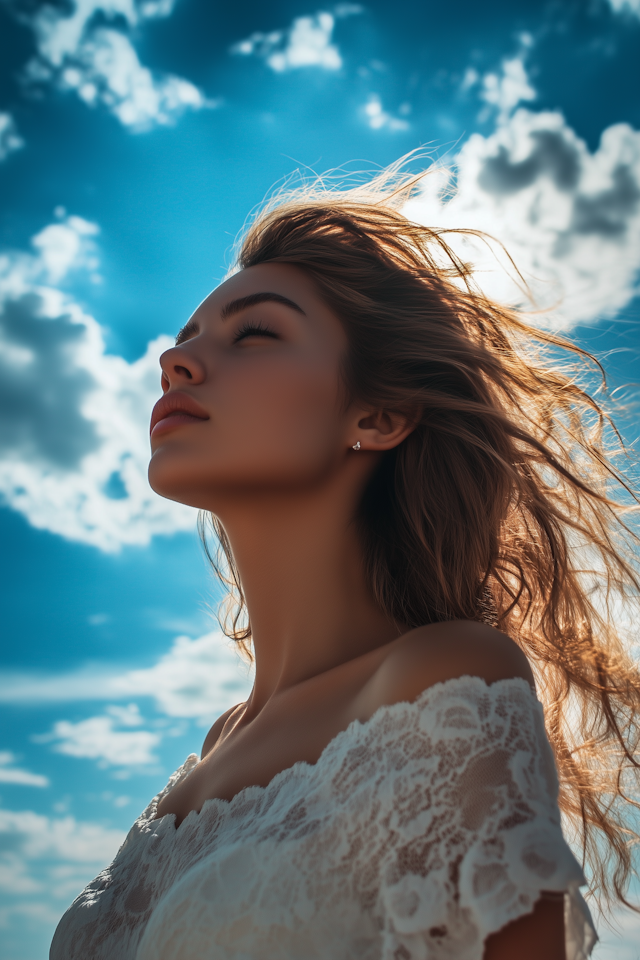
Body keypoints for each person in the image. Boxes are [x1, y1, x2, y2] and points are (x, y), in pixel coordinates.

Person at [50, 161, 640, 960]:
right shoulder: (214, 746)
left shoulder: (439, 677)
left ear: (380, 414)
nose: (176, 362)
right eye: (185, 339)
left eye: (253, 332)